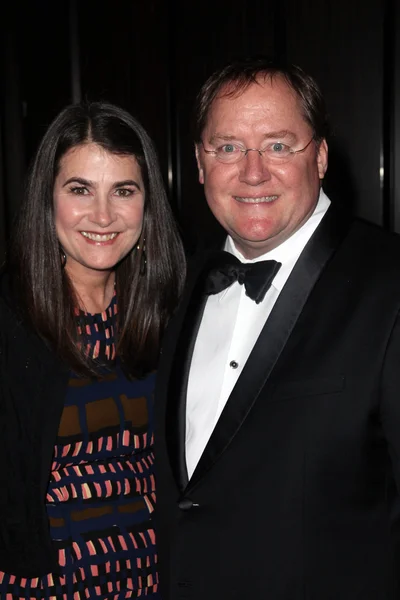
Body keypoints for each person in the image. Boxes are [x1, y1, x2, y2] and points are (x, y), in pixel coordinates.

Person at [154, 56, 400, 599]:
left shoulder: (389, 284)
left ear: (321, 156)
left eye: (278, 145)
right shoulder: (177, 281)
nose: (253, 171)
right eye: (228, 147)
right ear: (198, 162)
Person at [0, 101, 185, 599]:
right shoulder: (12, 323)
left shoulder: (172, 317)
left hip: (151, 577)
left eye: (123, 191)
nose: (102, 215)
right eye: (80, 189)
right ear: (48, 200)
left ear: (147, 207)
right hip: (46, 584)